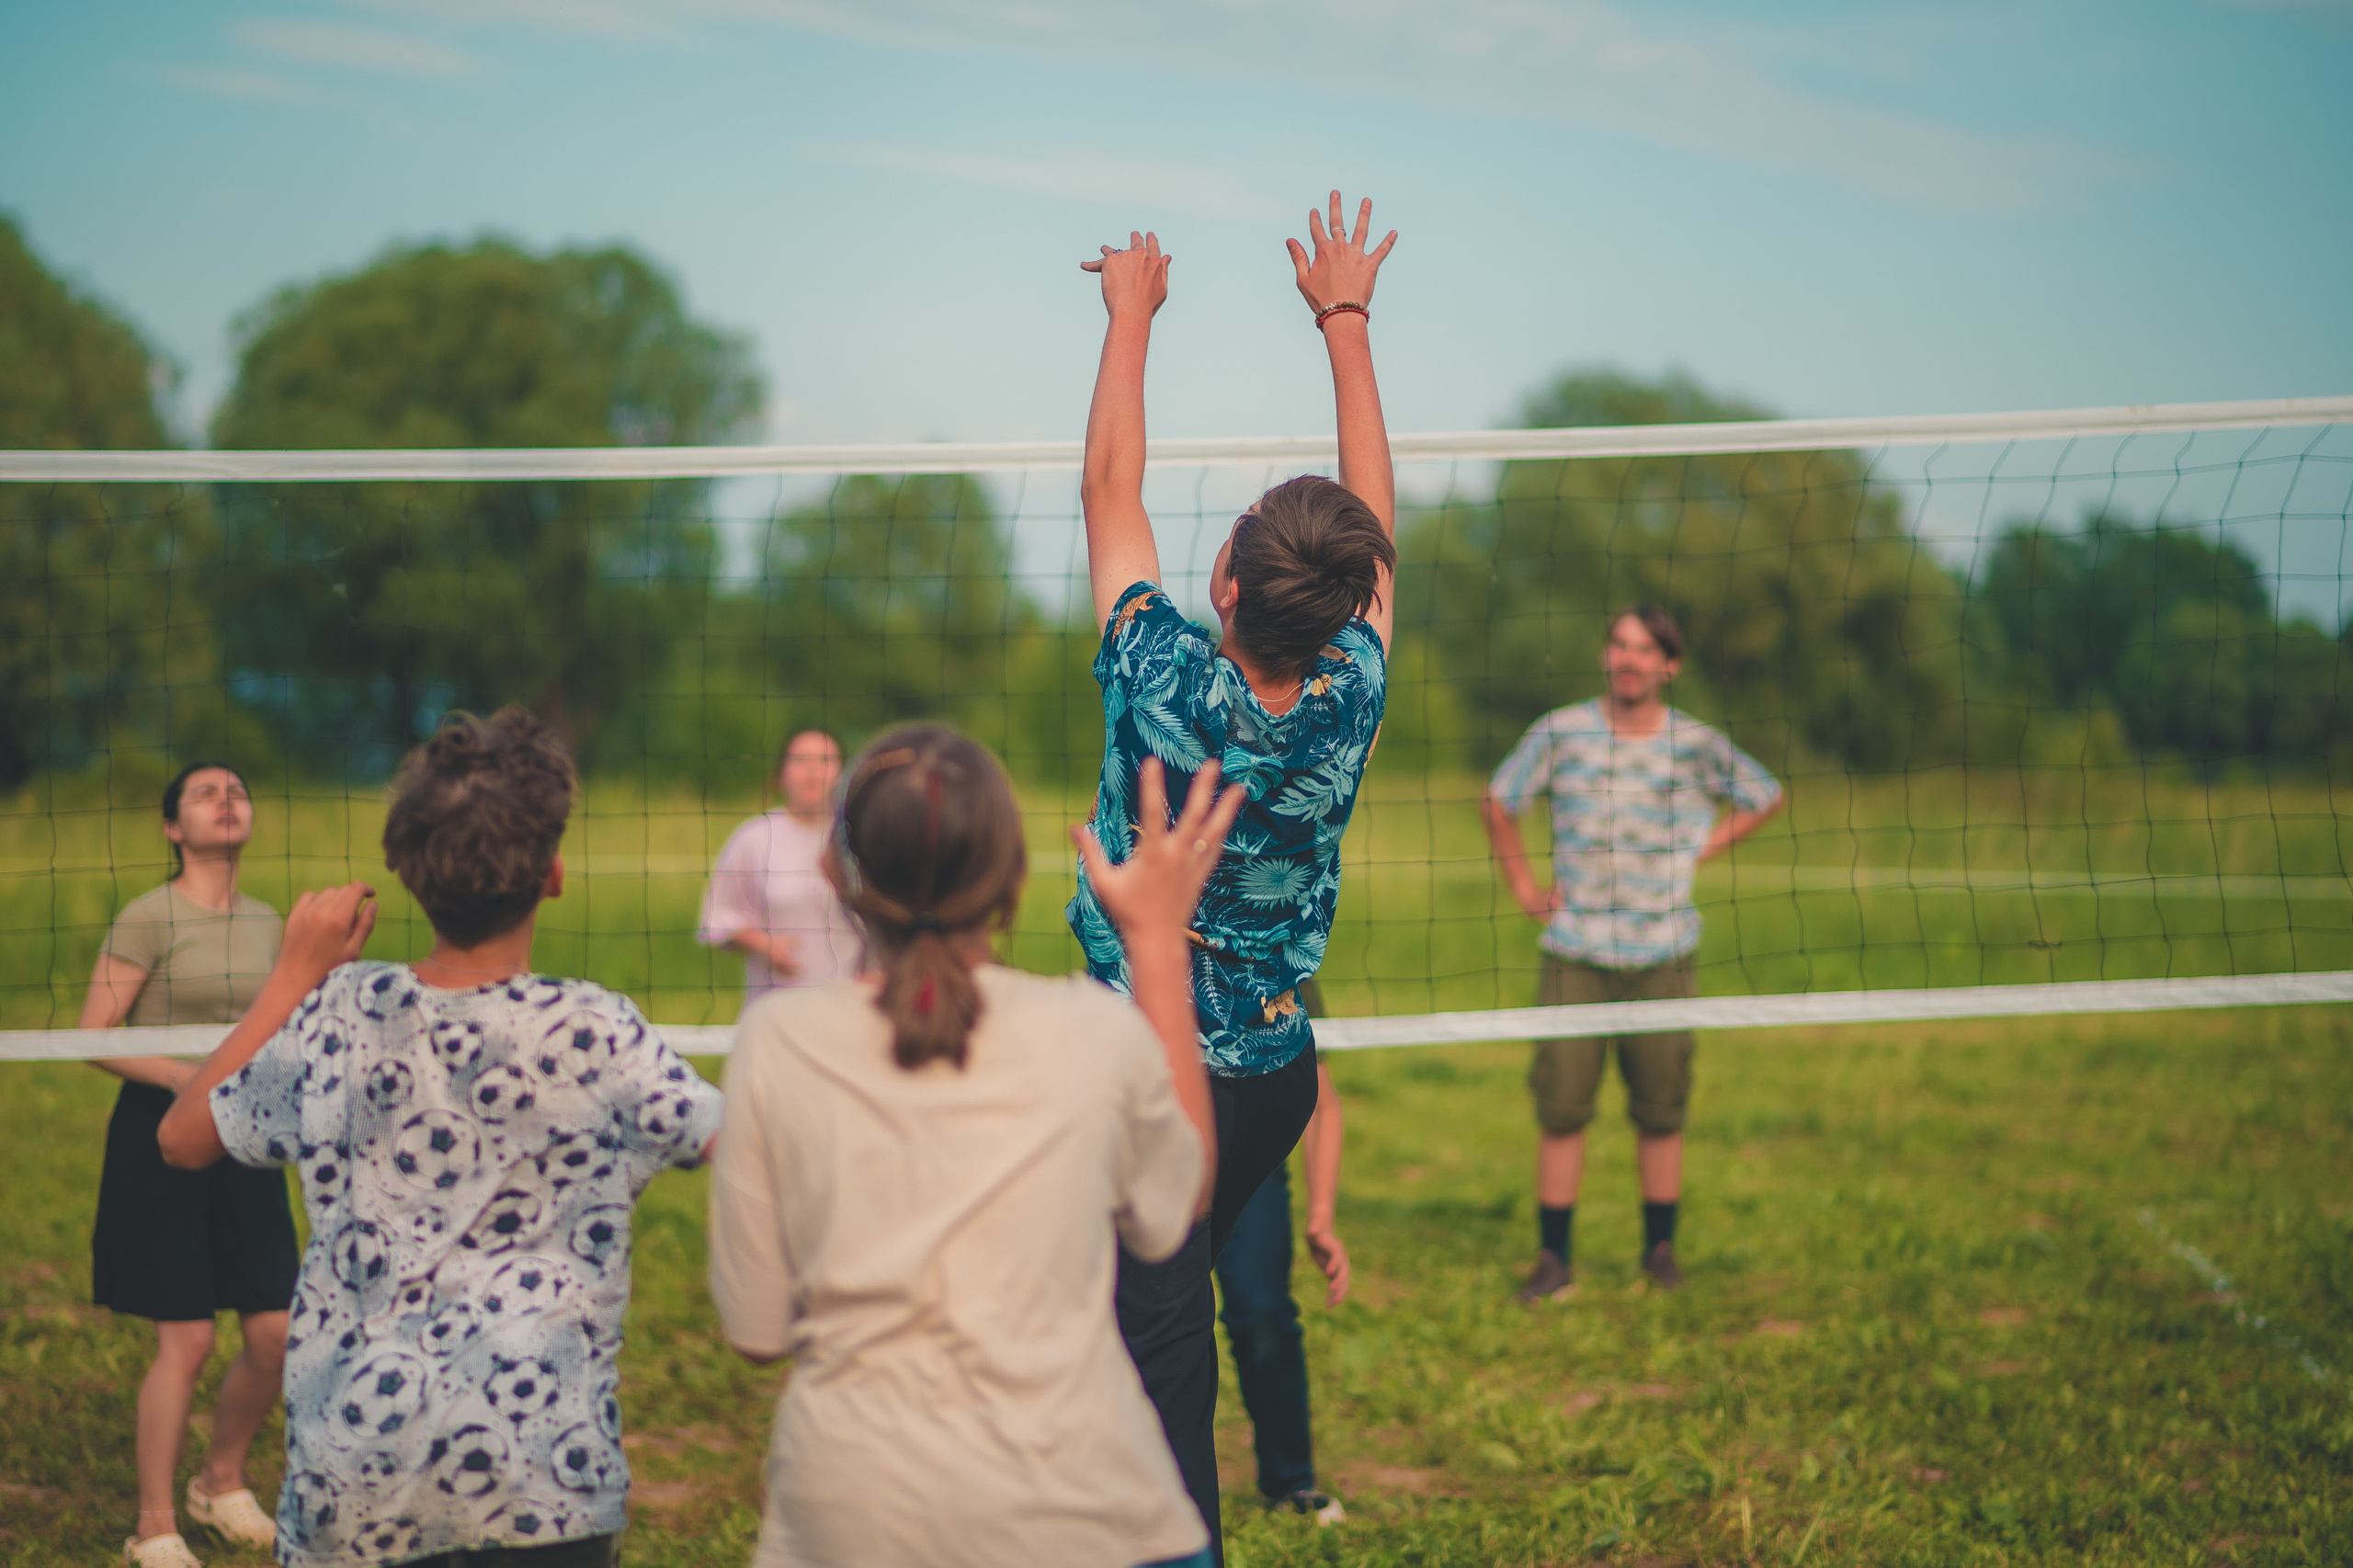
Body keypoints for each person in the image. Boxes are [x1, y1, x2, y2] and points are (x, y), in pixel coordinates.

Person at [156, 709, 724, 1568]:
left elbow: (180, 1138)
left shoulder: (340, 1012)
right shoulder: (600, 1031)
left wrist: (291, 979)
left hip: (354, 1478)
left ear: (405, 872)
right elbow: (744, 1144)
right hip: (542, 1477)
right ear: (555, 876)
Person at [1066, 191, 1397, 1561]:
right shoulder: (1350, 688)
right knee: (1174, 1295)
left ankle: (1163, 1531)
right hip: (1271, 1066)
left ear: (1229, 581)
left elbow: (1105, 491)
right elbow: (1369, 526)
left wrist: (1130, 318)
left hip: (1138, 1058)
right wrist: (1346, 320)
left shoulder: (1157, 669)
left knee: (1140, 1326)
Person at [707, 728, 1242, 1568]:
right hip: (1092, 1515)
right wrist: (1155, 942)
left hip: (853, 1521)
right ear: (1012, 879)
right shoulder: (1095, 1033)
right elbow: (1180, 1204)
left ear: (833, 876)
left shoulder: (774, 1042)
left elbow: (755, 1328)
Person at [1481, 606, 1783, 1303]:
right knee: (1561, 1110)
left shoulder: (1695, 743)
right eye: (1619, 643)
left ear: (1668, 666)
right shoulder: (1562, 732)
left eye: (1646, 650)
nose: (1630, 658)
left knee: (1662, 1110)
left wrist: (1702, 847)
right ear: (1605, 655)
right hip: (1576, 949)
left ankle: (1660, 1254)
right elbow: (1499, 800)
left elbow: (1765, 796)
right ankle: (1554, 1261)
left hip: (1664, 949)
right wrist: (1526, 885)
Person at [81, 761, 295, 1568]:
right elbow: (93, 1033)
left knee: (275, 1332)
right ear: (174, 828)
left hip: (245, 1129)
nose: (226, 799)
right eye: (205, 793)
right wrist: (187, 1077)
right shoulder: (148, 916)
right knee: (189, 1340)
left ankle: (221, 1482)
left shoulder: (272, 920)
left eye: (238, 789)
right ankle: (155, 1525)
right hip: (162, 1128)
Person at [1211, 975, 1348, 1524]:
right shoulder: (1129, 935)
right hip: (1155, 1156)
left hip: (1249, 1163)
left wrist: (1321, 1217)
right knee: (1149, 1324)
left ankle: (1292, 1481)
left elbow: (1319, 1097)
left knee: (1263, 1314)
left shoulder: (1282, 950)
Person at [698, 728, 860, 998]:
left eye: (824, 760)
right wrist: (763, 945)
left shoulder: (861, 837)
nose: (812, 770)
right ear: (781, 775)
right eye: (800, 760)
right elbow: (717, 916)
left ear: (842, 774)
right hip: (776, 1004)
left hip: (851, 1006)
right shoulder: (754, 838)